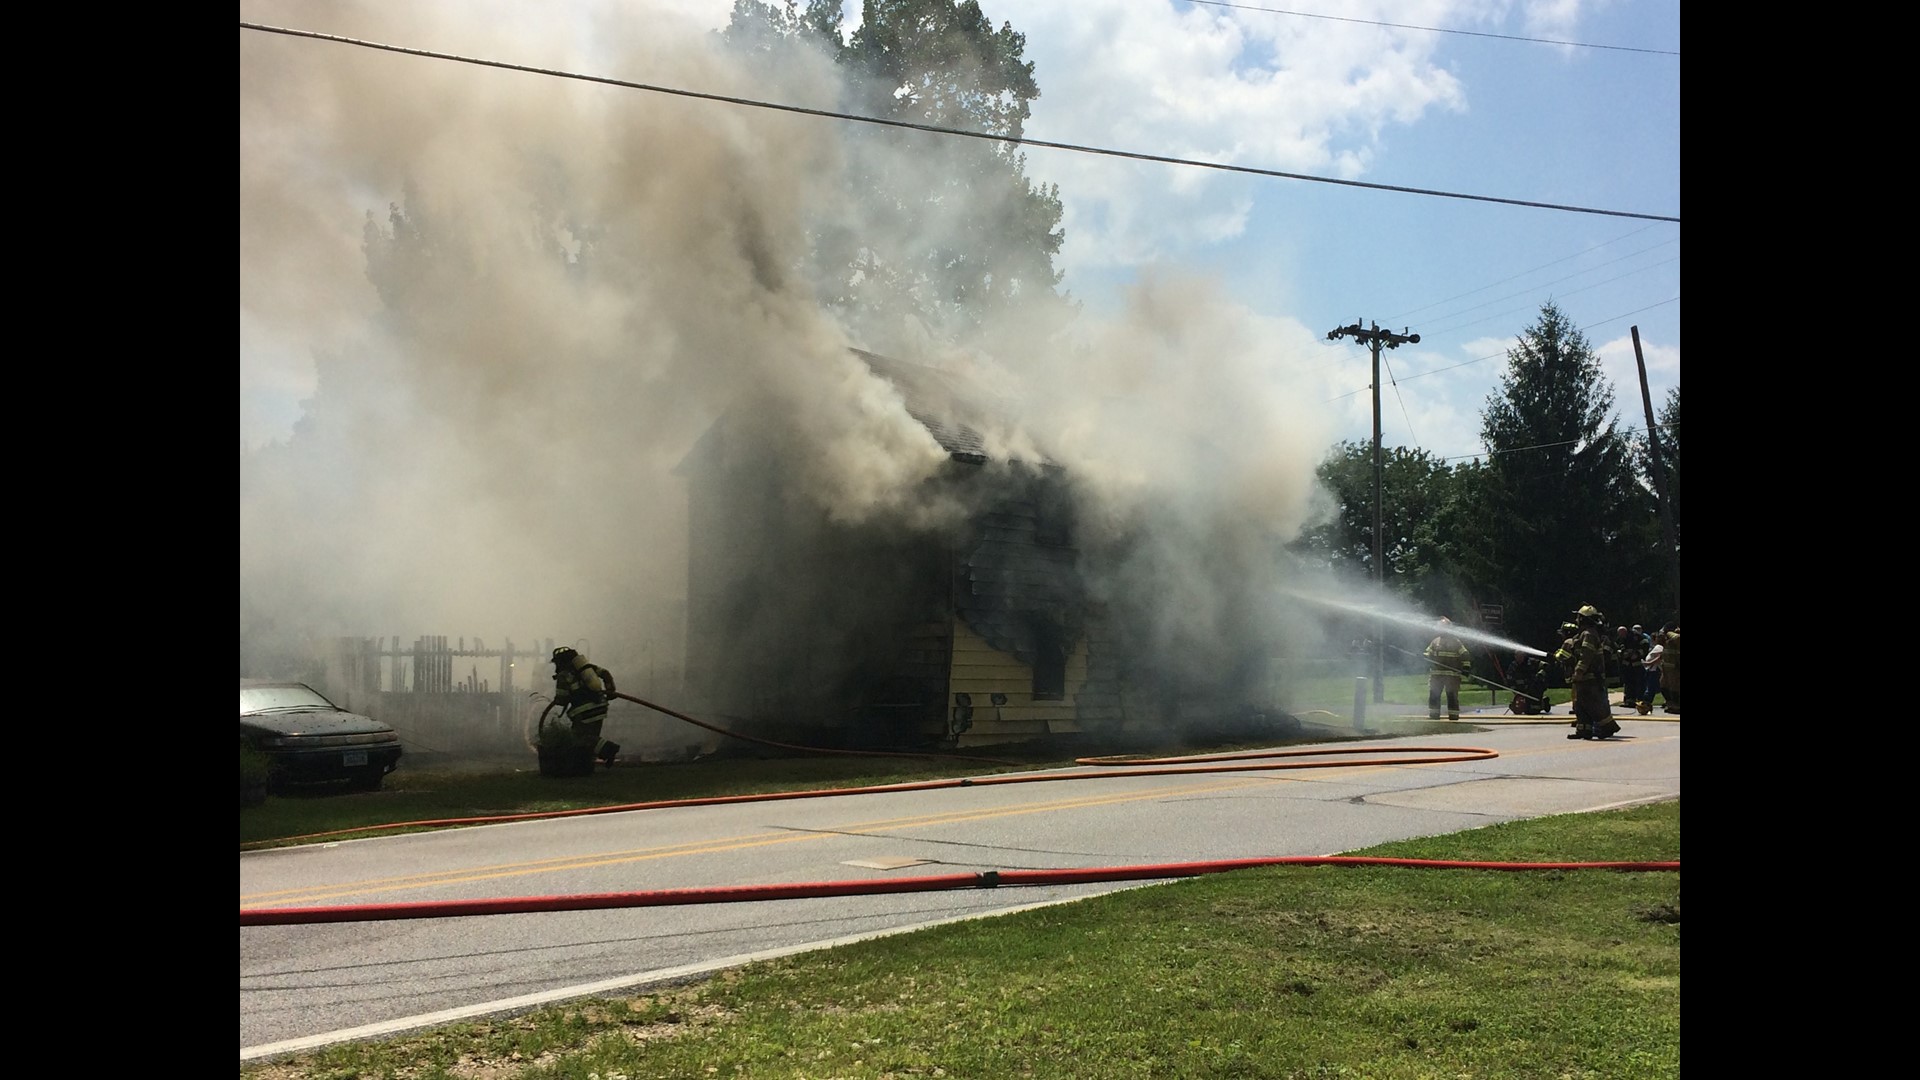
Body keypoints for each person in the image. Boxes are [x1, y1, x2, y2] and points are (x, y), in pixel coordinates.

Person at [540, 646, 622, 767]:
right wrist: (610, 689)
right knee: (591, 737)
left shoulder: (563, 675)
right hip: (600, 707)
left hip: (584, 712)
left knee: (580, 738)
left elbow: (561, 700)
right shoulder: (587, 668)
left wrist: (558, 698)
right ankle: (587, 764)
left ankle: (609, 749)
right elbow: (605, 673)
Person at [1556, 605, 1620, 740]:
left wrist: (1579, 671)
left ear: (1584, 619)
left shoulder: (1589, 634)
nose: (1576, 619)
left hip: (1591, 678)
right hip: (1585, 678)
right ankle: (1584, 730)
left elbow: (1586, 655)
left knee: (1593, 705)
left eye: (1579, 617)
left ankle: (1608, 727)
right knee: (1581, 705)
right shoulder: (1583, 634)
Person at [1424, 618, 1472, 721]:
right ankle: (1434, 715)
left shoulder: (1455, 642)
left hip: (1452, 675)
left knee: (1452, 696)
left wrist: (1466, 668)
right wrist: (1424, 656)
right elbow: (1428, 653)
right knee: (1434, 695)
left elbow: (1465, 654)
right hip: (1436, 675)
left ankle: (1453, 717)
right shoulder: (1435, 641)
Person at [1638, 631, 1666, 716]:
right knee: (1652, 688)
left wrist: (1649, 663)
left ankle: (1645, 705)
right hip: (1651, 670)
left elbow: (1660, 657)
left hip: (1654, 670)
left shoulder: (1659, 647)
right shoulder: (1657, 646)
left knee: (1650, 688)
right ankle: (1647, 704)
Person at [1657, 622, 1681, 713]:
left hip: (1675, 667)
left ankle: (1677, 705)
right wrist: (1662, 635)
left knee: (1675, 687)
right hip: (1666, 668)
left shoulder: (1676, 636)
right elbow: (1658, 642)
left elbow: (1678, 639)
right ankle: (1670, 703)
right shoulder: (1667, 639)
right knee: (1663, 686)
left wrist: (1668, 632)